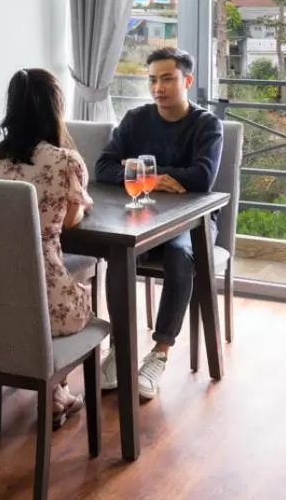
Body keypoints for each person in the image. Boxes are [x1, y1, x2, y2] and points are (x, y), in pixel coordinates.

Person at [95, 46, 222, 400]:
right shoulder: (136, 119)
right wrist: (155, 177)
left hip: (194, 223)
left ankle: (159, 353)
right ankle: (120, 349)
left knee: (181, 257)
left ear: (187, 80)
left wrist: (143, 171)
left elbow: (202, 178)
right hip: (144, 217)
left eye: (167, 79)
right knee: (119, 254)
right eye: (152, 80)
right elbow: (102, 168)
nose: (158, 88)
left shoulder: (206, 125)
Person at [0, 68, 94, 428]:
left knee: (22, 313)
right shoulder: (65, 162)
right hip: (47, 301)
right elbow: (70, 221)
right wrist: (83, 205)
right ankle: (57, 390)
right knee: (82, 301)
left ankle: (55, 393)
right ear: (54, 109)